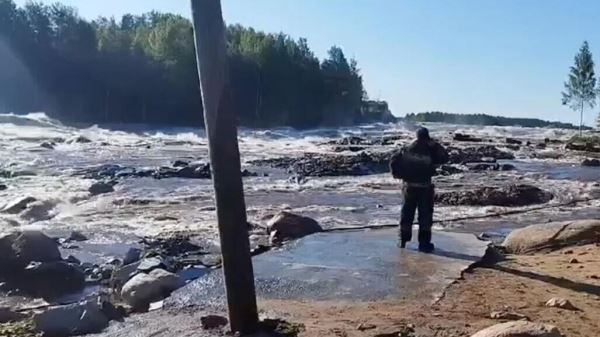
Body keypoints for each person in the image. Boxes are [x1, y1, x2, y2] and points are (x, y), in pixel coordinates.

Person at [390, 127, 449, 252]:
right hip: (424, 187)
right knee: (425, 216)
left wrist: (397, 174)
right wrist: (435, 144)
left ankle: (403, 240)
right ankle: (424, 244)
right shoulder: (431, 150)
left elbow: (393, 160)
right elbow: (445, 158)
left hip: (409, 186)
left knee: (406, 214)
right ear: (427, 138)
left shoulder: (407, 148)